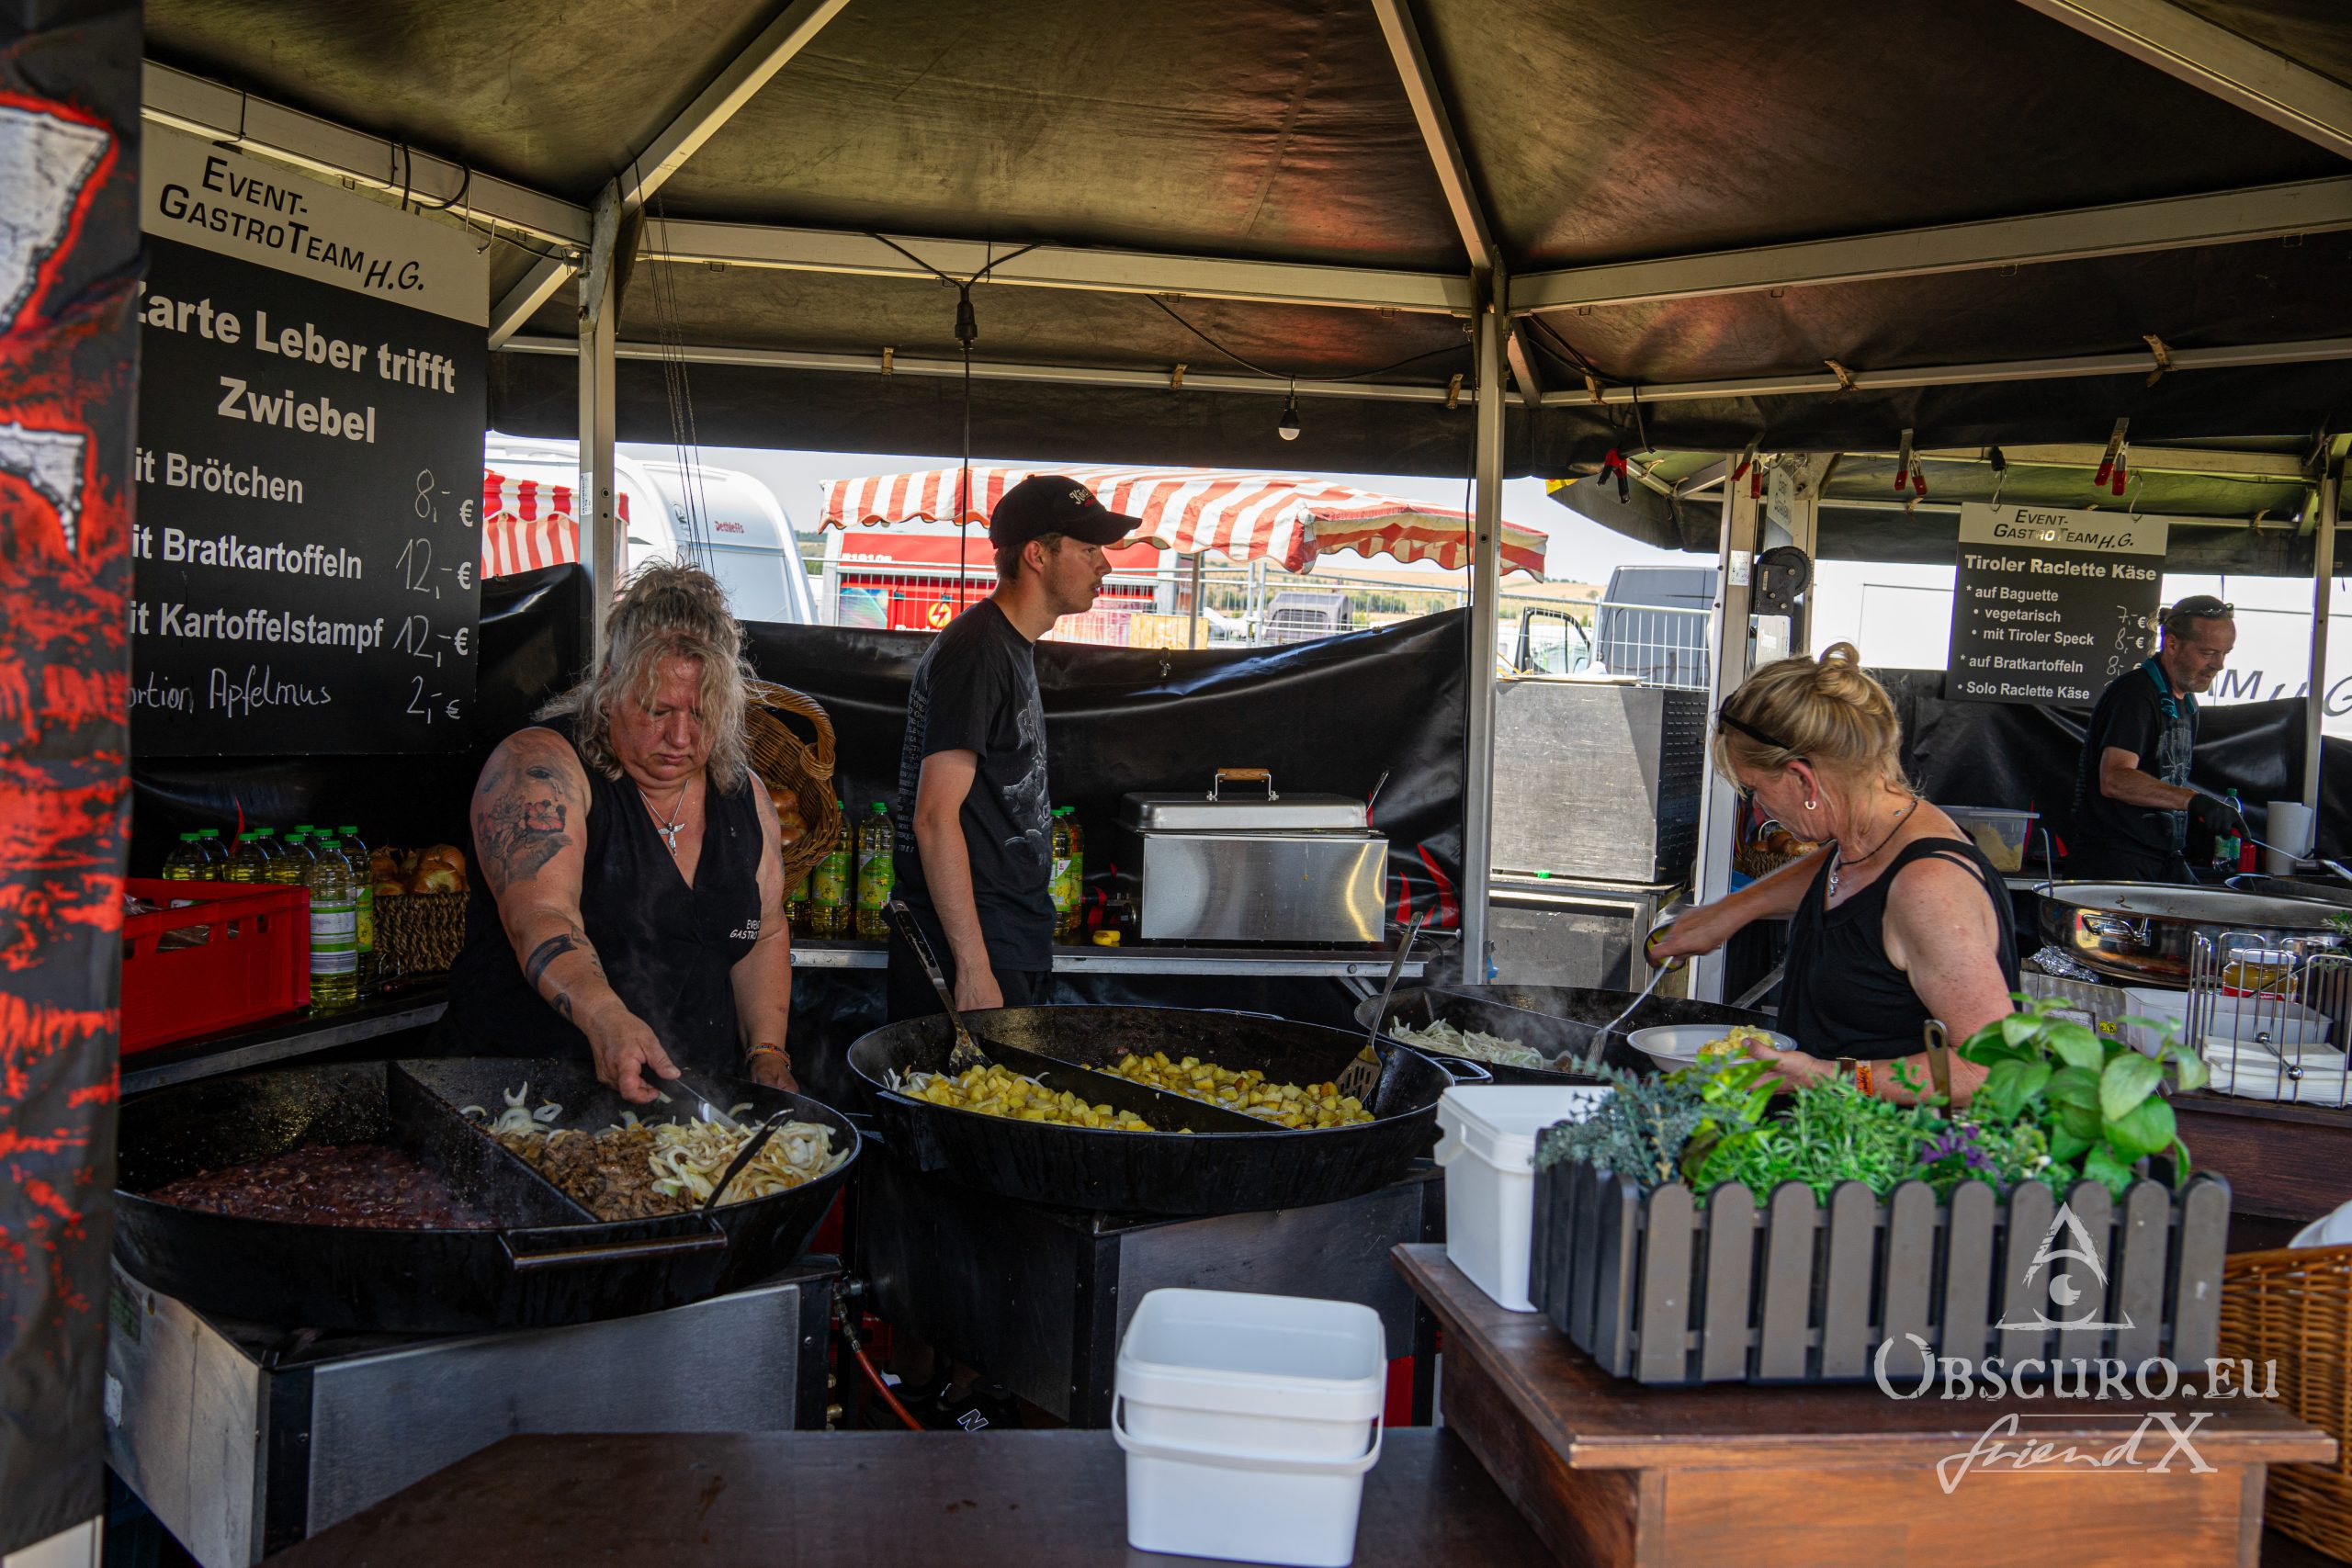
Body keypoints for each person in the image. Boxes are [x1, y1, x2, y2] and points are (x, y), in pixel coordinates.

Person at [445, 564, 797, 1101]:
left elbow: (765, 934)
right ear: (609, 685)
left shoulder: (744, 794)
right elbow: (541, 917)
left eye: (702, 713)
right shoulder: (538, 769)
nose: (680, 736)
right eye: (658, 710)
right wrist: (606, 1016)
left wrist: (766, 1053)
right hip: (522, 1096)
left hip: (689, 1110)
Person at [1651, 644, 2018, 1105]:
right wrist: (1729, 912)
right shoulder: (1869, 838)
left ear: (1803, 779)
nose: (1758, 809)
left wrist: (1823, 1077)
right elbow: (1843, 873)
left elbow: (1987, 1069)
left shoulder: (1929, 890)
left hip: (1889, 1146)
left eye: (1756, 789)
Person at [886, 475, 1133, 1020]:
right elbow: (933, 817)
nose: (1105, 566)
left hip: (1004, 941)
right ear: (1037, 555)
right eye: (1089, 549)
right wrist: (974, 968)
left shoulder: (1006, 645)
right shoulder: (977, 651)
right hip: (970, 955)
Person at [2070, 595, 2238, 883]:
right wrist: (2194, 801)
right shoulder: (2136, 694)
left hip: (2162, 856)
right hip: (2115, 859)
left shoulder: (2186, 702)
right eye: (2208, 652)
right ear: (2172, 644)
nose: (2219, 665)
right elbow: (2115, 778)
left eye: (2226, 653)